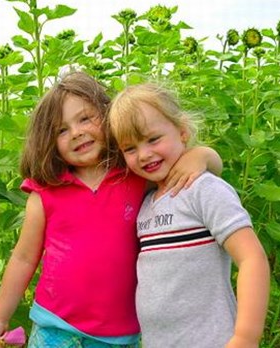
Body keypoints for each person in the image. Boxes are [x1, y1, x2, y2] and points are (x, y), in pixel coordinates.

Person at [0, 72, 223, 348]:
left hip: (119, 335)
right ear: (48, 142)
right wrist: (0, 316)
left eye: (85, 118)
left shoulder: (135, 175)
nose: (77, 133)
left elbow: (209, 168)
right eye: (61, 130)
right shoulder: (45, 192)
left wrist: (202, 156)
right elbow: (24, 259)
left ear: (108, 117)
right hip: (55, 328)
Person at [108, 82, 270, 348]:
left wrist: (245, 338)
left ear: (182, 131)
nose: (144, 154)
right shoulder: (146, 202)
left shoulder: (203, 189)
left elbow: (252, 258)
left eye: (153, 139)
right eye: (130, 149)